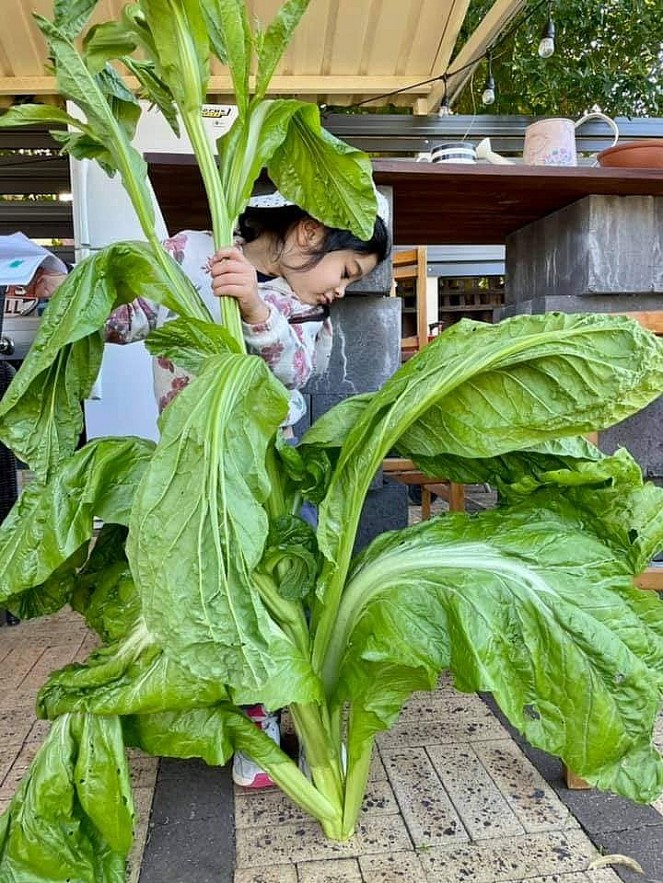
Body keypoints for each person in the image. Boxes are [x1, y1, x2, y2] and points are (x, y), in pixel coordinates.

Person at [45, 192, 390, 788]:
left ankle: (281, 718)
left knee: (280, 598)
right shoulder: (191, 256)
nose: (341, 288)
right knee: (221, 599)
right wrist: (68, 292)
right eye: (347, 270)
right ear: (310, 233)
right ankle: (242, 718)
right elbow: (129, 320)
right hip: (196, 472)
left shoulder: (298, 309)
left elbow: (296, 371)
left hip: (269, 478)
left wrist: (256, 307)